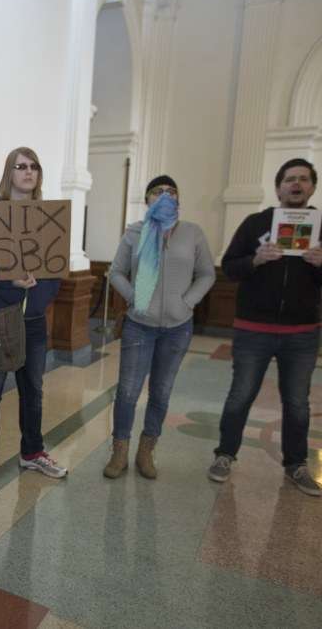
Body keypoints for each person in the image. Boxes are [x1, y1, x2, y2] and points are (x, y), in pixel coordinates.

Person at [208, 158, 322, 496]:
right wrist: (256, 259)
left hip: (301, 332)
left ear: (312, 187)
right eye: (289, 179)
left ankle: (296, 465)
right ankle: (225, 455)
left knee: (298, 402)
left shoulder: (321, 227)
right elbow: (229, 267)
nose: (296, 184)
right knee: (240, 395)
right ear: (278, 188)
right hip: (253, 328)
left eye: (303, 179)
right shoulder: (256, 222)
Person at [104, 175, 215, 479]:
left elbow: (206, 274)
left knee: (161, 393)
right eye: (158, 191)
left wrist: (187, 302)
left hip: (178, 327)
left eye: (171, 192)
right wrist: (135, 298)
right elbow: (115, 272)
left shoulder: (193, 233)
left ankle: (146, 451)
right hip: (140, 325)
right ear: (147, 200)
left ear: (178, 200)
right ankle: (120, 452)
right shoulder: (134, 233)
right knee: (127, 392)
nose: (165, 196)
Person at [0, 147, 66, 486]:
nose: (28, 172)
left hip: (34, 320)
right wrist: (7, 280)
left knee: (33, 391)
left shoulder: (49, 216)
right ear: (9, 172)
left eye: (34, 167)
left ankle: (32, 453)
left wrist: (37, 297)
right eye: (20, 166)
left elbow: (55, 270)